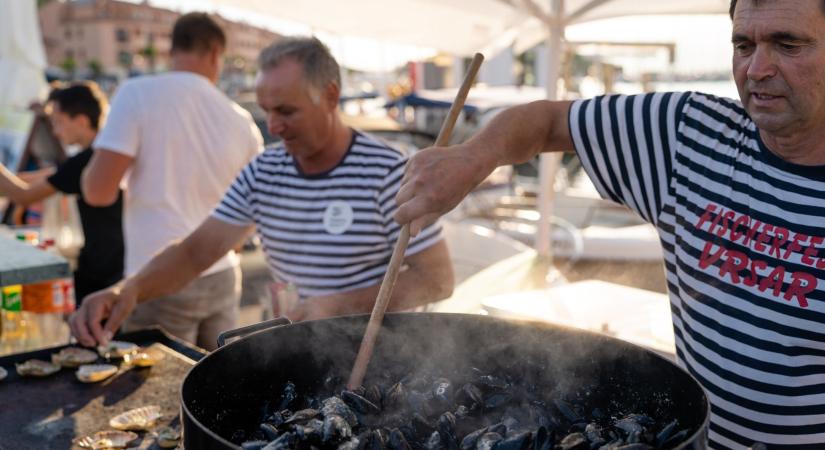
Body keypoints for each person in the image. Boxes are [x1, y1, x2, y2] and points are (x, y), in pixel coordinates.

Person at [392, 0, 825, 448]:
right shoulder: (687, 134)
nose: (756, 69)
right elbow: (546, 121)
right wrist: (473, 156)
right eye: (743, 44)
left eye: (787, 44)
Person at [70, 37, 454, 348]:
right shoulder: (263, 171)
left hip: (384, 354)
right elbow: (194, 253)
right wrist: (127, 290)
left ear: (331, 96)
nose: (274, 126)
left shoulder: (388, 171)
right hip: (298, 348)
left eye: (287, 111)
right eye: (267, 111)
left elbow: (437, 279)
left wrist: (338, 305)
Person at [80, 13, 264, 350]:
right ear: (215, 53)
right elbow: (253, 211)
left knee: (156, 394)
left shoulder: (137, 94)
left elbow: (97, 192)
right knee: (217, 392)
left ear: (172, 49)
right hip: (223, 273)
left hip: (156, 279)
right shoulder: (241, 120)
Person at [0, 82, 124, 302]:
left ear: (82, 121)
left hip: (101, 271)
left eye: (58, 122)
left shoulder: (84, 161)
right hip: (113, 264)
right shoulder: (103, 153)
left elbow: (25, 195)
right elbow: (44, 178)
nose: (55, 132)